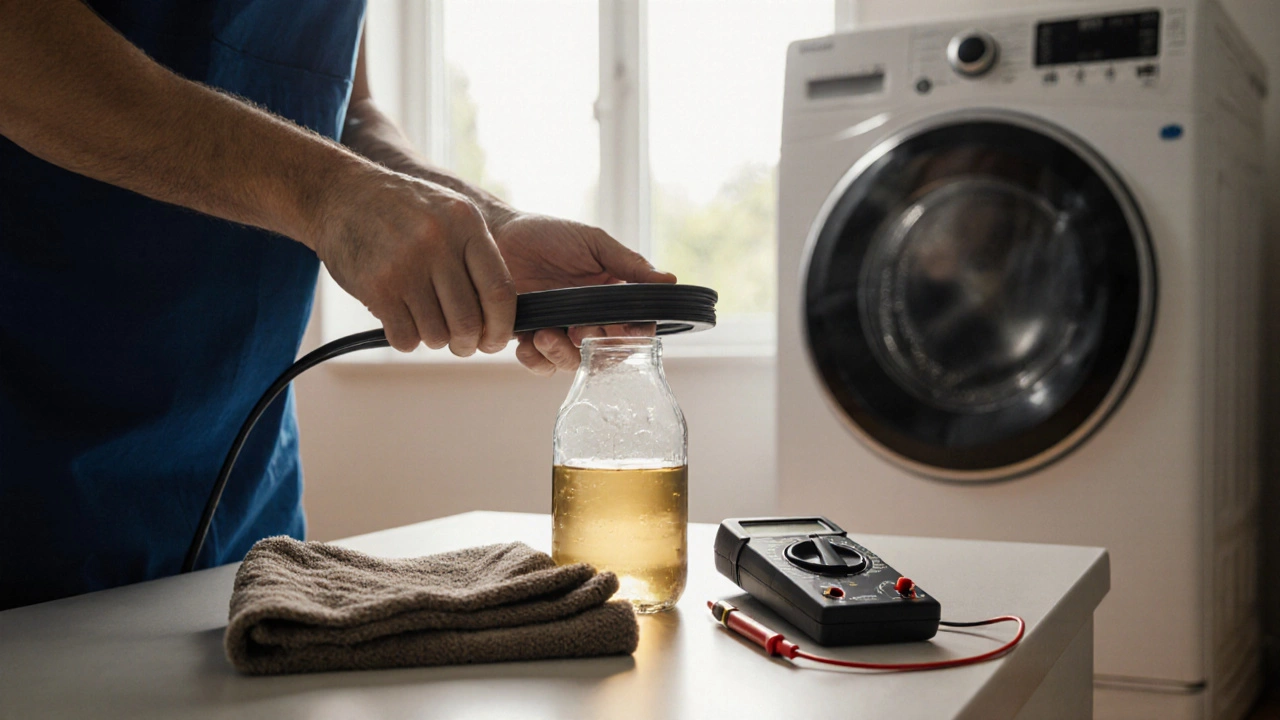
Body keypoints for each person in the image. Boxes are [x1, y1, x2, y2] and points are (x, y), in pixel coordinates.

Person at [0, 0, 675, 609]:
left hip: (241, 500)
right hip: (31, 460)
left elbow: (345, 109)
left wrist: (483, 230)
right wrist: (329, 194)